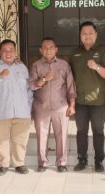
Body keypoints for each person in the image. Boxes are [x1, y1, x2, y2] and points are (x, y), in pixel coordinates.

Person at [69, 21, 105, 172]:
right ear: (80, 36)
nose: (87, 35)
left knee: (98, 131)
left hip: (98, 101)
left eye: (90, 33)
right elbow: (70, 77)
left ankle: (99, 161)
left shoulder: (103, 52)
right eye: (84, 33)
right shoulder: (75, 53)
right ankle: (82, 159)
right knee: (81, 131)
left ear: (96, 34)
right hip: (80, 100)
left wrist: (97, 67)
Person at [0, 40, 32, 175]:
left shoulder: (22, 67)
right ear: (0, 52)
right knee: (1, 140)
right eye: (5, 50)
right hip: (1, 111)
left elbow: (28, 89)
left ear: (15, 52)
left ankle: (19, 163)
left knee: (20, 139)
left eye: (11, 50)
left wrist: (28, 107)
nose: (8, 53)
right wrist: (0, 76)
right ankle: (3, 165)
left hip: (21, 111)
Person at [29, 37, 76, 172]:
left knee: (61, 135)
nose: (48, 50)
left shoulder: (64, 65)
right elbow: (32, 85)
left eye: (51, 48)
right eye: (45, 48)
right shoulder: (36, 65)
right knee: (42, 135)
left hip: (60, 106)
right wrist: (44, 79)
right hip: (41, 106)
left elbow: (71, 86)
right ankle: (43, 162)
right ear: (41, 50)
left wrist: (72, 105)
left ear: (56, 49)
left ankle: (61, 162)